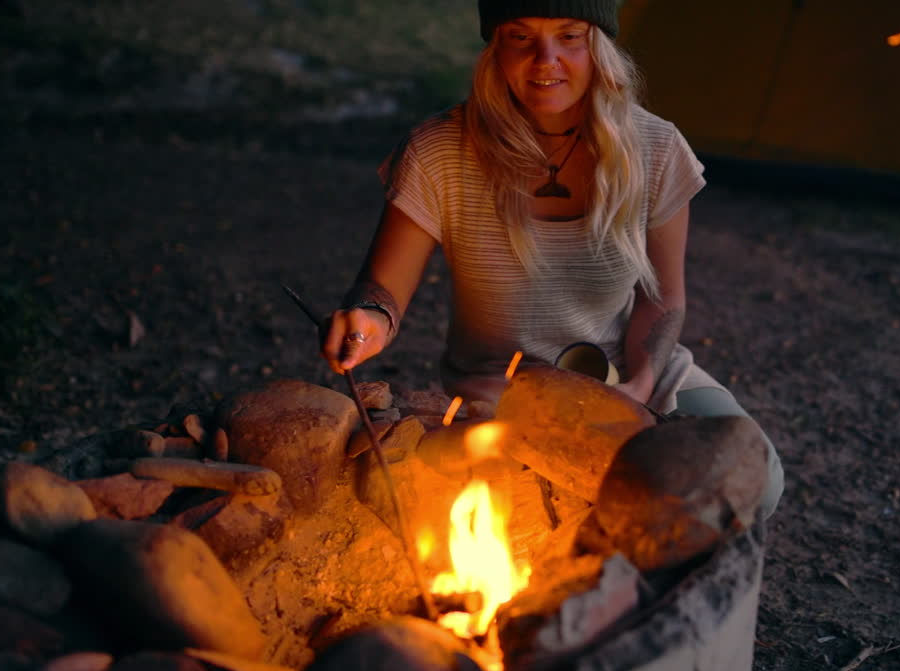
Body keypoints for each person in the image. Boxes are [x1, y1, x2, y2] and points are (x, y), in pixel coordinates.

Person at [320, 0, 783, 518]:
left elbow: (662, 297)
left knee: (754, 483)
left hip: (626, 372)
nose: (546, 60)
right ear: (495, 48)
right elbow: (382, 289)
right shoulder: (440, 151)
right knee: (535, 513)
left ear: (601, 48)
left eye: (569, 36)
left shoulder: (655, 148)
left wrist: (639, 388)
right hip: (504, 391)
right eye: (521, 37)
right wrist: (368, 320)